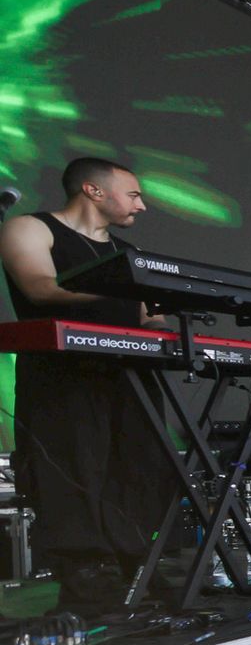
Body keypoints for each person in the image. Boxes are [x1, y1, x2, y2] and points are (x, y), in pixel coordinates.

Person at [0, 157, 177, 607]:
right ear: (94, 191)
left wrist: (156, 323)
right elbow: (40, 287)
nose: (142, 205)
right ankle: (86, 575)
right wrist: (127, 299)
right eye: (133, 194)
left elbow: (153, 317)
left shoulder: (127, 253)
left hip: (127, 372)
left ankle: (138, 567)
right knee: (72, 466)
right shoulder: (31, 228)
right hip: (62, 374)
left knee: (139, 465)